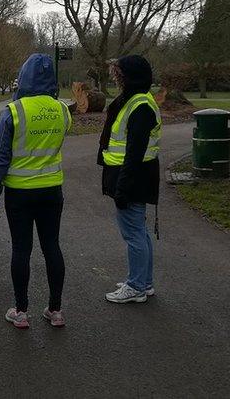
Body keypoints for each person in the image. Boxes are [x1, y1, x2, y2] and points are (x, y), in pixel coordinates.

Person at [0, 54, 72, 329]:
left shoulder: (13, 111)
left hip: (20, 192)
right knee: (52, 247)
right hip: (51, 190)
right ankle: (55, 310)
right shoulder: (62, 110)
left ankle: (21, 311)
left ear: (23, 77)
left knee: (21, 249)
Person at [98, 55, 161, 304]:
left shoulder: (140, 106)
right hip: (133, 175)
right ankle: (143, 282)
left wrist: (122, 188)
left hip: (132, 177)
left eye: (119, 75)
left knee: (133, 234)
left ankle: (136, 286)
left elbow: (134, 153)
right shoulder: (135, 101)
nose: (116, 79)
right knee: (140, 232)